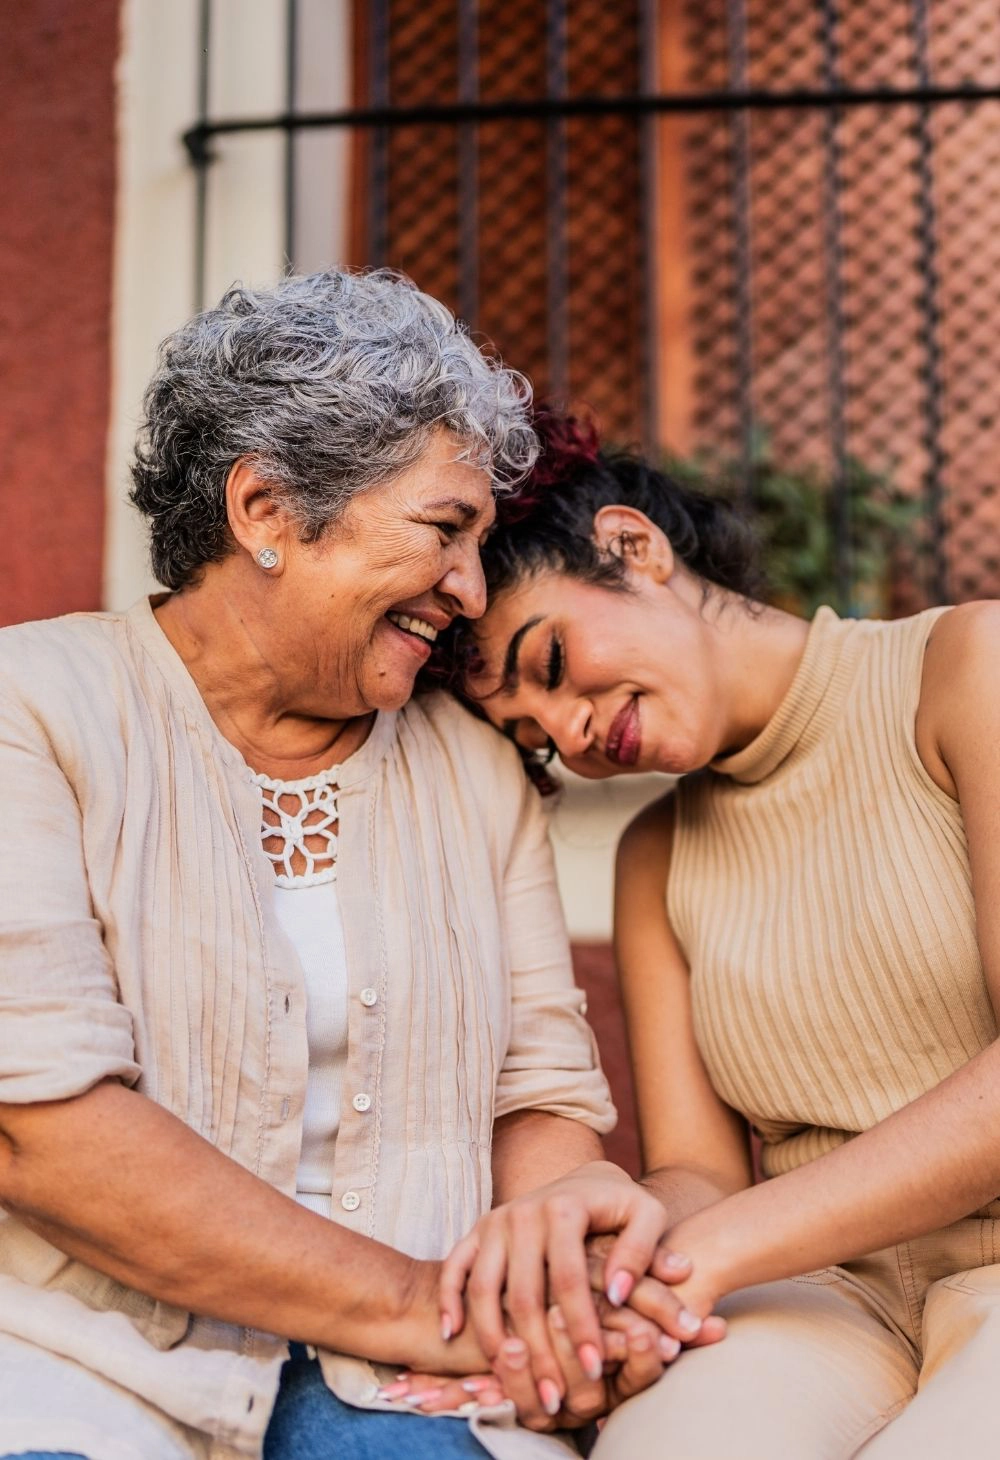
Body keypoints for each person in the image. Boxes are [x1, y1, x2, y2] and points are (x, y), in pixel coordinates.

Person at [0, 279, 690, 1460]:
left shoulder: (470, 775)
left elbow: (539, 1093)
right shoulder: (36, 709)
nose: (470, 589)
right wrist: (434, 1310)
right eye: (443, 529)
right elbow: (46, 1125)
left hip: (404, 1379)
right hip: (77, 1353)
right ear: (267, 507)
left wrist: (559, 1281)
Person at [430, 411, 1000, 1457]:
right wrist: (610, 1283)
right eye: (528, 735)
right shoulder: (654, 854)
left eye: (549, 661)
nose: (566, 732)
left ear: (632, 547)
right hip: (821, 1295)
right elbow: (698, 1169)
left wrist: (709, 1250)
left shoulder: (967, 669)